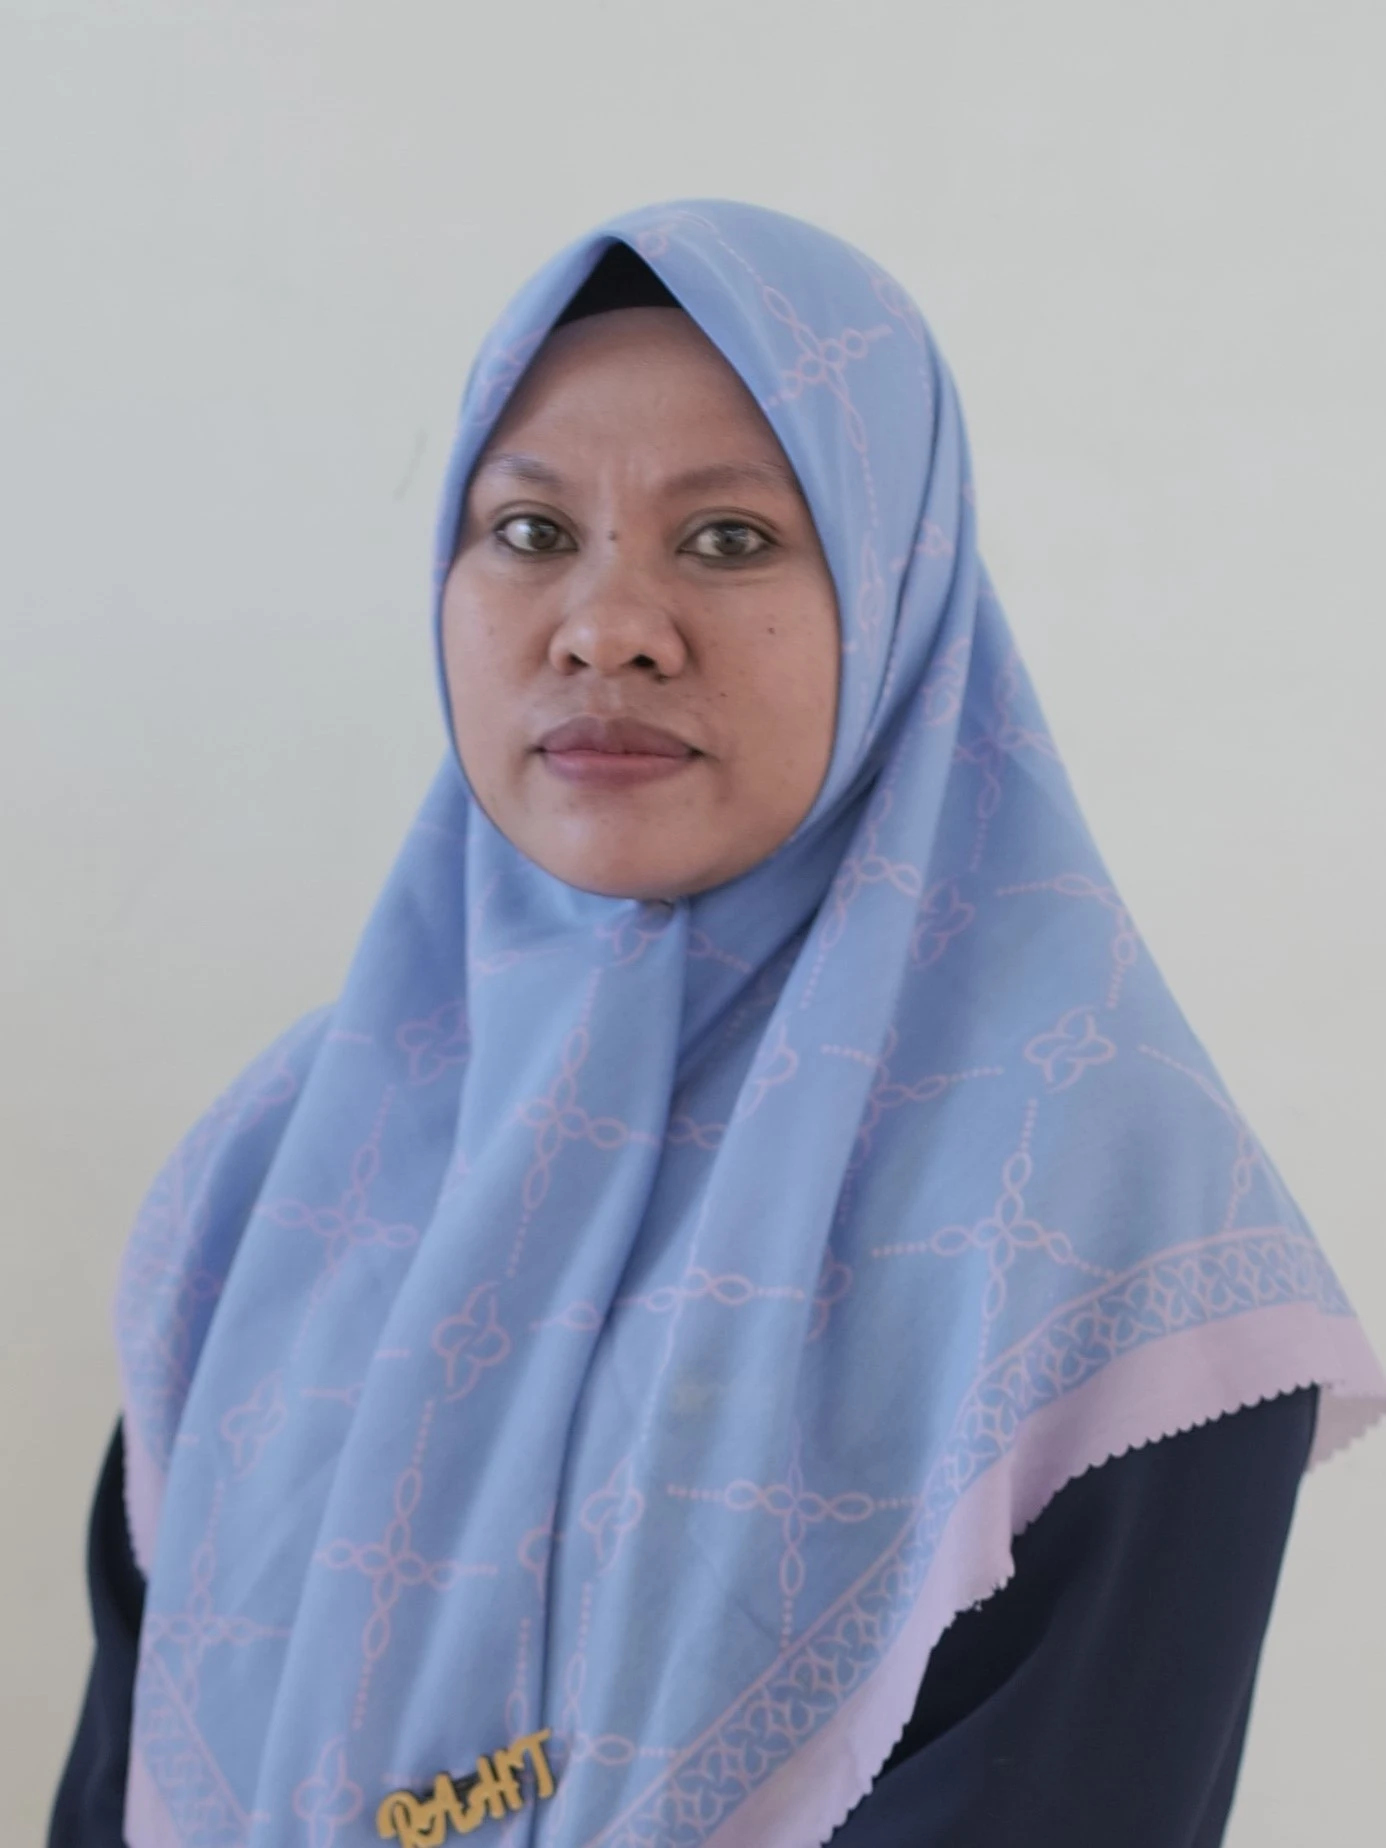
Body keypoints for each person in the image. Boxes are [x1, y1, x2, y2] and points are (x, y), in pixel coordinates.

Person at [51, 206, 1384, 1848]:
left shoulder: (1091, 1216)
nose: (606, 623)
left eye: (731, 538)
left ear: (896, 591)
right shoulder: (279, 1173)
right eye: (529, 530)